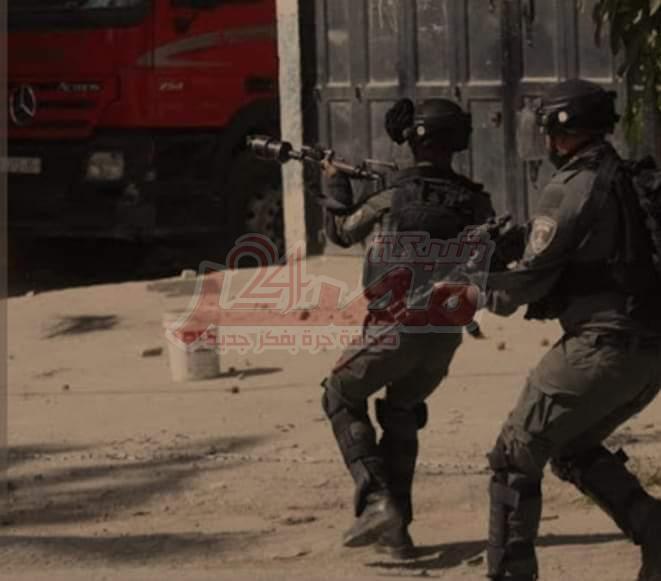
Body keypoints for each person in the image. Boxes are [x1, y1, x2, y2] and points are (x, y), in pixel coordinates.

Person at [483, 79, 661, 581]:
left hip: (600, 346)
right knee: (571, 446)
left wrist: (480, 279)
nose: (544, 139)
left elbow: (525, 285)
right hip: (646, 354)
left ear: (564, 129)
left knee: (513, 454)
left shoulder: (571, 186)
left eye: (548, 129)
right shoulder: (626, 177)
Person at [320, 98, 495, 558]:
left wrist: (334, 183)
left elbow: (342, 230)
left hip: (394, 328)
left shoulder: (393, 196)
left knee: (340, 394)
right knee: (401, 410)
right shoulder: (476, 201)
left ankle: (378, 501)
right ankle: (398, 533)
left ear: (414, 140)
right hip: (444, 337)